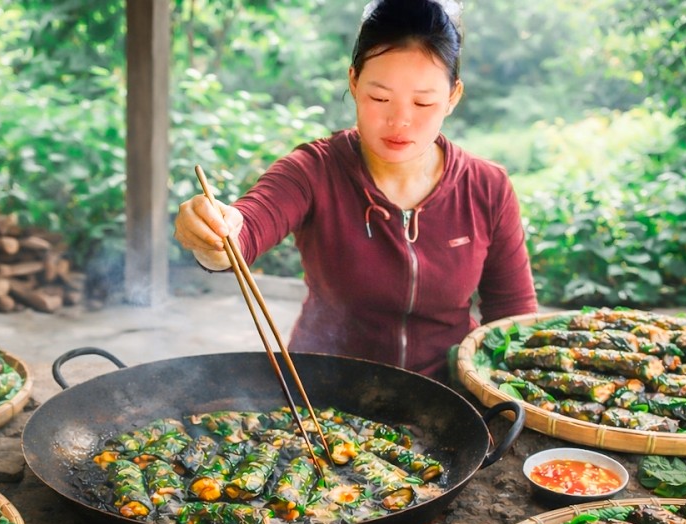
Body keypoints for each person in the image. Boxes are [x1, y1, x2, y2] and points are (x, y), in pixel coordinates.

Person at [173, 0, 538, 381]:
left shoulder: (486, 187)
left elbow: (512, 319)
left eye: (423, 102)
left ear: (452, 97)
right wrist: (214, 235)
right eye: (380, 98)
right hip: (324, 394)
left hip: (446, 401)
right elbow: (246, 227)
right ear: (353, 82)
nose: (400, 120)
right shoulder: (314, 170)